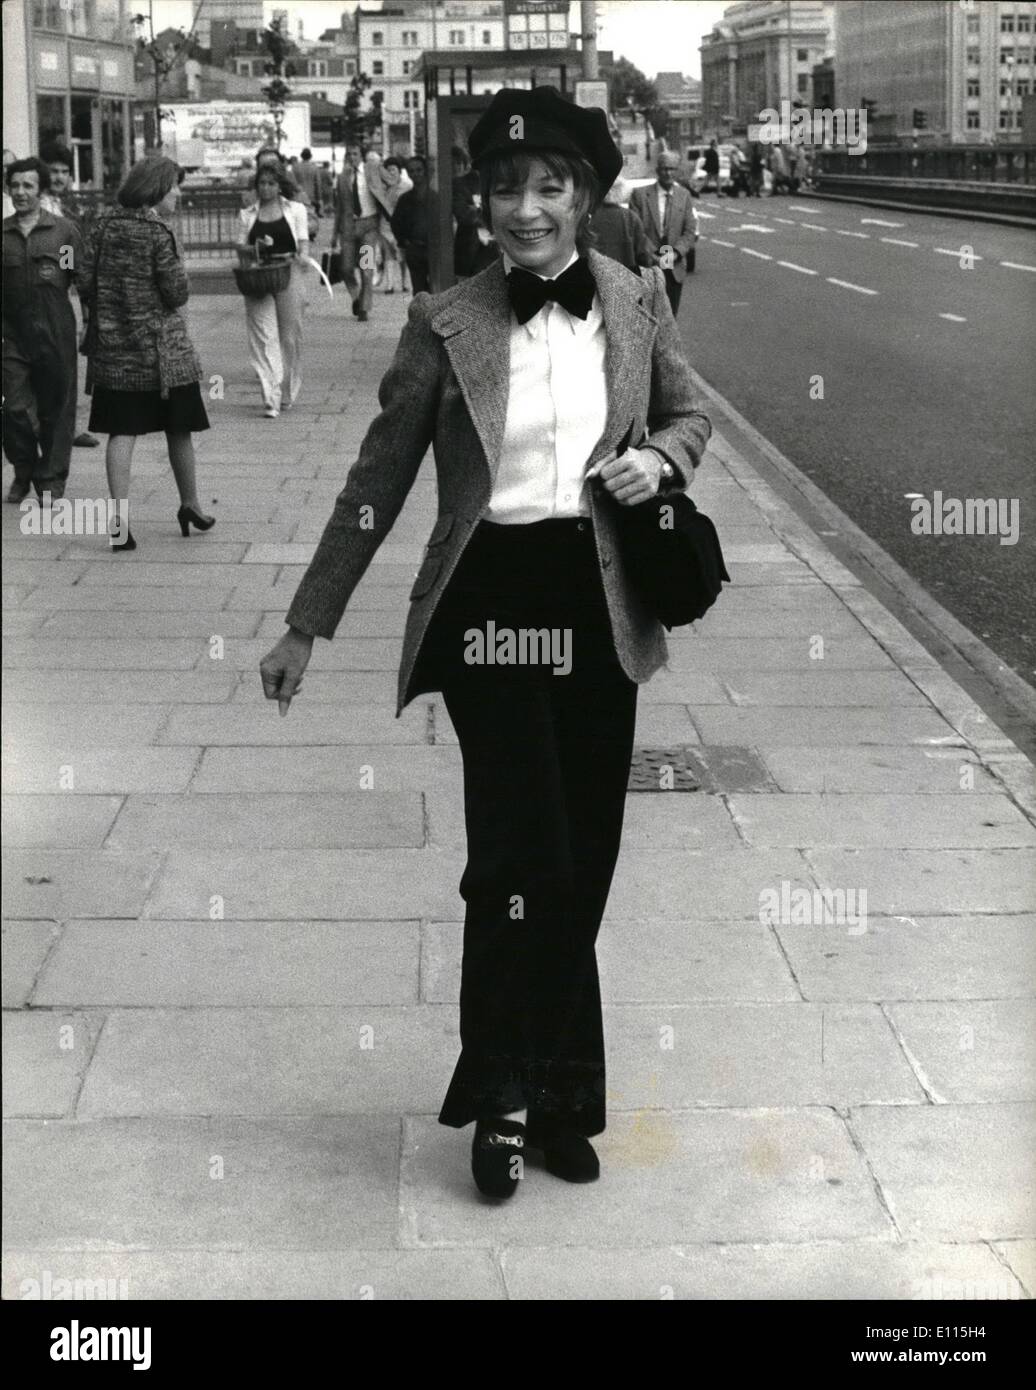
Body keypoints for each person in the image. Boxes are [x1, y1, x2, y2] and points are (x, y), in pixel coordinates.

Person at [259, 85, 711, 1201]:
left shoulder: (635, 299)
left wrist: (662, 462)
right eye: (506, 189)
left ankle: (558, 1091)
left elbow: (692, 415)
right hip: (492, 604)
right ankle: (505, 1098)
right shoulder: (443, 318)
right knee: (523, 859)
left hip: (600, 602)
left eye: (548, 188)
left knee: (586, 858)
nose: (525, 210)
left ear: (585, 196)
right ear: (481, 204)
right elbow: (375, 483)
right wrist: (305, 622)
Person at [79, 155, 213, 551]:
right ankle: (190, 504)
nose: (178, 193)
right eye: (175, 186)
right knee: (179, 427)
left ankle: (119, 522)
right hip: (163, 353)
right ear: (156, 189)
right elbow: (176, 292)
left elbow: (83, 278)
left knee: (123, 432)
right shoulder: (159, 233)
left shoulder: (101, 226)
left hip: (116, 351)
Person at [2, 157, 81, 503]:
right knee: (13, 408)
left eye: (28, 186)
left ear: (41, 189)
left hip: (55, 329)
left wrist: (90, 325)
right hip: (11, 333)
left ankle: (50, 479)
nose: (20, 192)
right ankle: (24, 467)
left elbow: (78, 278)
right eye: (15, 185)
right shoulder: (2, 235)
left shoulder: (62, 233)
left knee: (56, 408)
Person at [237, 164, 311, 419]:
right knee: (263, 336)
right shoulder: (247, 214)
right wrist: (253, 247)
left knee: (289, 337)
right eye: (262, 183)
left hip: (288, 272)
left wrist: (303, 257)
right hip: (258, 276)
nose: (266, 188)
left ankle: (287, 389)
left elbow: (303, 244)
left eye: (271, 183)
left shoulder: (295, 210)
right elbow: (240, 248)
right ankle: (271, 394)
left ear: (280, 186)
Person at [41, 141, 100, 449]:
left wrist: (85, 307)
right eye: (54, 171)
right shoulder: (31, 206)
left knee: (65, 368)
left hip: (59, 297)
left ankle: (69, 426)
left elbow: (69, 261)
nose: (60, 177)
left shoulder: (66, 211)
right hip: (30, 296)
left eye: (65, 172)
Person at [628, 151, 698, 317]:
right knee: (648, 318)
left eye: (672, 169)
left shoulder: (684, 196)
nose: (668, 173)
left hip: (673, 265)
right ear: (658, 170)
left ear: (677, 171)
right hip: (647, 264)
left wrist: (674, 254)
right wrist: (654, 256)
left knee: (670, 319)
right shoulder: (639, 195)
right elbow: (635, 230)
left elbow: (689, 230)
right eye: (664, 168)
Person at [332, 141, 381, 321]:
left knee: (366, 267)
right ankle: (356, 296)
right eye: (349, 154)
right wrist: (334, 234)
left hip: (369, 226)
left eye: (355, 154)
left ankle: (364, 308)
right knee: (345, 268)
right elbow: (339, 207)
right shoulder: (342, 177)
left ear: (361, 156)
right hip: (349, 227)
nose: (352, 157)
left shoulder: (372, 172)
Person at [590, 174, 653, 273]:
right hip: (626, 277)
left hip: (595, 276)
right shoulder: (631, 217)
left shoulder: (588, 217)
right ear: (622, 192)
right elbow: (643, 255)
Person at [390, 154, 432, 294]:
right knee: (419, 291)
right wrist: (404, 242)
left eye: (419, 170)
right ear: (408, 173)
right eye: (412, 171)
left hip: (435, 250)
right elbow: (396, 223)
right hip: (415, 250)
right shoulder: (405, 199)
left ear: (425, 170)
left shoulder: (436, 196)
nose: (416, 174)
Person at [375, 156, 411, 293]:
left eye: (393, 169)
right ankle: (390, 285)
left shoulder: (407, 186)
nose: (391, 173)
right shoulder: (382, 188)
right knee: (388, 255)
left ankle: (404, 282)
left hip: (401, 227)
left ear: (399, 171)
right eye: (388, 170)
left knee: (402, 256)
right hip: (385, 226)